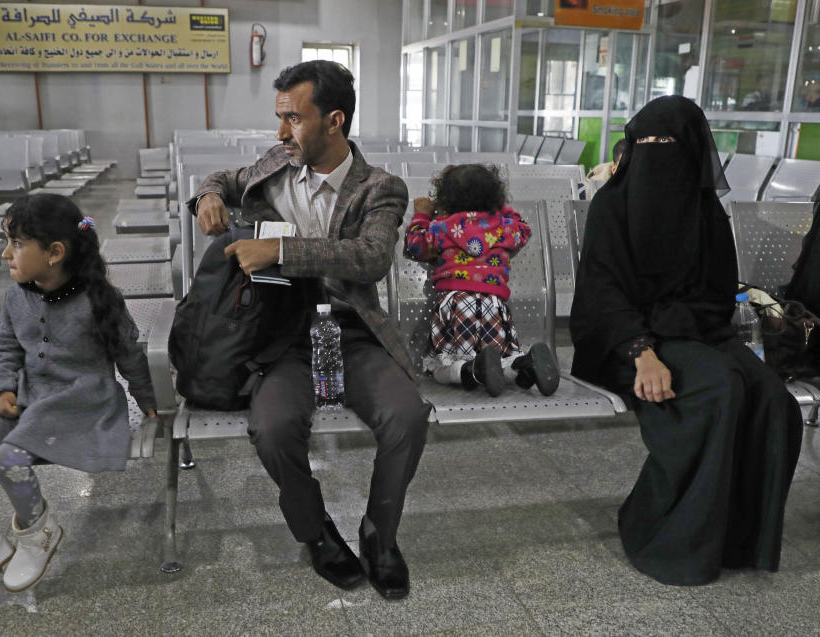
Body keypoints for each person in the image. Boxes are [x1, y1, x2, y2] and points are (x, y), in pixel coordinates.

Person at [191, 60, 429, 600]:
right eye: (279, 119)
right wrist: (207, 195)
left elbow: (370, 259)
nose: (280, 133)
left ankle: (379, 534)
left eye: (293, 119)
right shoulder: (278, 161)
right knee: (272, 429)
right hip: (284, 336)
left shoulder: (380, 188)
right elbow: (223, 181)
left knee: (407, 416)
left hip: (352, 332)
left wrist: (280, 250)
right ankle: (317, 532)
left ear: (334, 120)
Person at [569, 95, 803, 586]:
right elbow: (601, 295)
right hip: (622, 339)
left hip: (698, 333)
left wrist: (712, 339)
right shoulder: (613, 205)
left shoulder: (707, 216)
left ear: (692, 149)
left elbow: (716, 296)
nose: (656, 151)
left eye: (669, 142)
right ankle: (663, 535)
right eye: (645, 141)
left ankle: (738, 541)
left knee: (772, 400)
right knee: (718, 391)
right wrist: (642, 353)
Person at [0, 194, 157, 600]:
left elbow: (129, 353)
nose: (6, 254)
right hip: (25, 393)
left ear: (55, 253)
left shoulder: (98, 300)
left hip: (80, 400)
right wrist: (0, 388)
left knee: (8, 460)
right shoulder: (15, 296)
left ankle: (39, 532)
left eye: (17, 244)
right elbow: (4, 348)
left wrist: (149, 400)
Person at [402, 163, 559, 396]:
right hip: (494, 304)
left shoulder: (441, 227)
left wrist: (423, 215)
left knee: (440, 367)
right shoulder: (504, 227)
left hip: (455, 303)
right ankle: (523, 365)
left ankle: (473, 371)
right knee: (501, 357)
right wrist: (501, 209)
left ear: (444, 197)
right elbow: (523, 229)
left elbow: (415, 245)